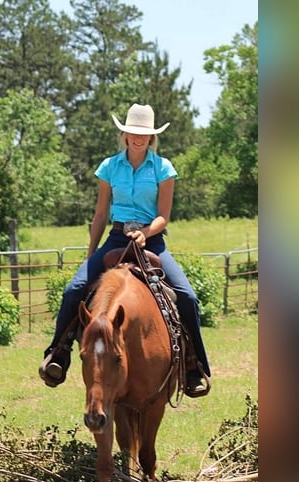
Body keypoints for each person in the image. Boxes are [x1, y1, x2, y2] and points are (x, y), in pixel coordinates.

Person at [39, 103, 211, 397]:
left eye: (144, 133)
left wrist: (145, 233)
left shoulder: (163, 168)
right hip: (117, 237)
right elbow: (100, 213)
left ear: (152, 137)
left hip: (152, 240)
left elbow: (164, 216)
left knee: (187, 296)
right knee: (73, 290)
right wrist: (91, 253)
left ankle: (194, 367)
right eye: (133, 132)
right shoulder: (109, 167)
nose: (138, 137)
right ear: (125, 133)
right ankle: (59, 354)